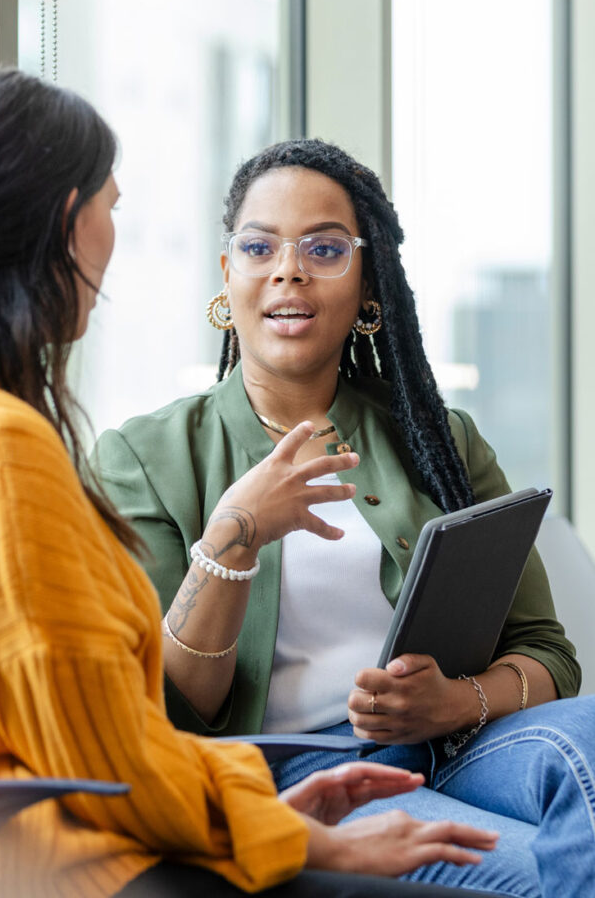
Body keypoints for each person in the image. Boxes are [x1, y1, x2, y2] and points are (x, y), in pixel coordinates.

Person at [0, 71, 497, 898]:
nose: (288, 274)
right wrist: (301, 840)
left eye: (324, 249)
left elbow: (98, 740)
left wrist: (271, 814)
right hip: (62, 867)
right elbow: (102, 757)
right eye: (112, 208)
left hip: (27, 843)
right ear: (67, 223)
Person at [92, 137, 595, 898]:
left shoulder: (439, 440)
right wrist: (235, 531)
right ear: (227, 276)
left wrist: (451, 703)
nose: (288, 268)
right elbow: (174, 706)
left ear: (368, 289)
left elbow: (547, 655)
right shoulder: (141, 455)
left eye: (324, 248)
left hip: (468, 743)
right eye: (258, 246)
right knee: (527, 875)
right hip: (303, 767)